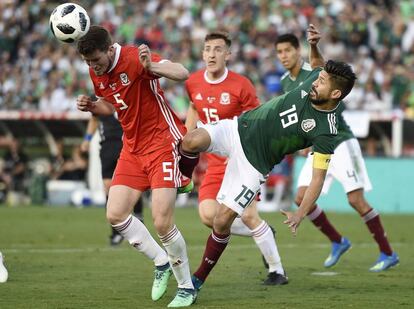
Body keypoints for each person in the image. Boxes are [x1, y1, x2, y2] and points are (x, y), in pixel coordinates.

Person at [178, 24, 356, 291]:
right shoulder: (318, 78)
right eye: (317, 79)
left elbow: (318, 178)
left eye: (321, 84)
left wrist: (300, 213)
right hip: (237, 129)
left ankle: (196, 280)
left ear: (335, 95)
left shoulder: (326, 132)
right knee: (189, 141)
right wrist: (314, 46)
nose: (315, 83)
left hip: (254, 164)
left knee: (221, 221)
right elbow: (319, 65)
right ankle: (183, 180)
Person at [76, 25, 196, 307]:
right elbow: (112, 106)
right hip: (132, 147)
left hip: (161, 141)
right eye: (88, 62)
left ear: (109, 48)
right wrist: (93, 106)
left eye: (96, 60)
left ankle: (186, 287)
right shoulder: (97, 71)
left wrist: (152, 66)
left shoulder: (134, 57)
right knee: (115, 214)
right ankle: (161, 261)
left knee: (162, 222)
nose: (94, 66)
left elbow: (182, 73)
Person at [275, 32, 399, 272]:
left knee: (355, 200)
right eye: (279, 52)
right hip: (318, 145)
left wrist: (314, 45)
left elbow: (319, 66)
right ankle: (338, 241)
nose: (283, 56)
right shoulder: (284, 81)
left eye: (288, 51)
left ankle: (388, 252)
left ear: (297, 52)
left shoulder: (315, 74)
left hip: (340, 141)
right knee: (301, 197)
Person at [185, 31, 287, 288]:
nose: (211, 54)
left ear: (227, 54)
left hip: (242, 159)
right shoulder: (194, 82)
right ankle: (263, 232)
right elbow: (194, 108)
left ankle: (277, 270)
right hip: (215, 162)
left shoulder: (241, 85)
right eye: (208, 48)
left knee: (250, 215)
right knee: (208, 215)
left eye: (218, 49)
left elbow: (257, 122)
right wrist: (188, 137)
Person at [81, 114, 144, 246]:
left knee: (134, 184)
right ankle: (116, 232)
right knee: (109, 187)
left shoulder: (127, 94)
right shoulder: (98, 98)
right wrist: (87, 139)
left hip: (128, 144)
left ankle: (139, 218)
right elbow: (94, 118)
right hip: (107, 147)